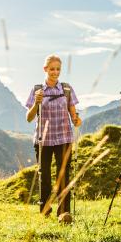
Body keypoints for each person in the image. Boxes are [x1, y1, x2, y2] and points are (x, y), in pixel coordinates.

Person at [25, 55, 82, 223]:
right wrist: (36, 103)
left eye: (58, 69)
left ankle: (63, 213)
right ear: (45, 69)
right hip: (43, 140)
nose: (55, 72)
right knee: (45, 176)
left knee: (63, 175)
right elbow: (29, 118)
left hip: (64, 138)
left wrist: (77, 120)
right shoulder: (37, 90)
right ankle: (44, 207)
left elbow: (74, 115)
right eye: (52, 69)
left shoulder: (66, 89)